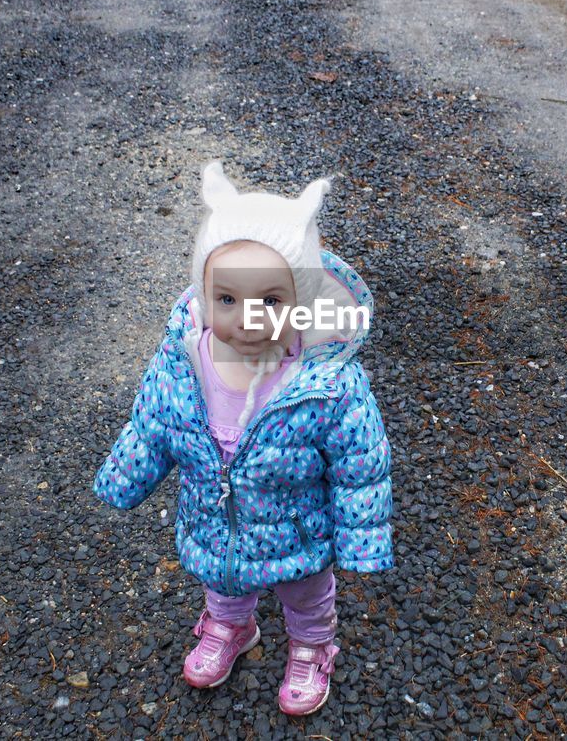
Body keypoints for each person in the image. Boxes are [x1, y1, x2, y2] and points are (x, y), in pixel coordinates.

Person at [93, 160, 393, 716]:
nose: (247, 318)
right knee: (223, 580)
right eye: (227, 299)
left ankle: (311, 645)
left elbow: (362, 463)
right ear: (204, 294)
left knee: (306, 596)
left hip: (296, 531)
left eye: (270, 301)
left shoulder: (326, 383)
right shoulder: (185, 360)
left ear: (301, 300)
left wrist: (362, 538)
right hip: (216, 521)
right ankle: (232, 628)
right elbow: (155, 423)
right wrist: (124, 475)